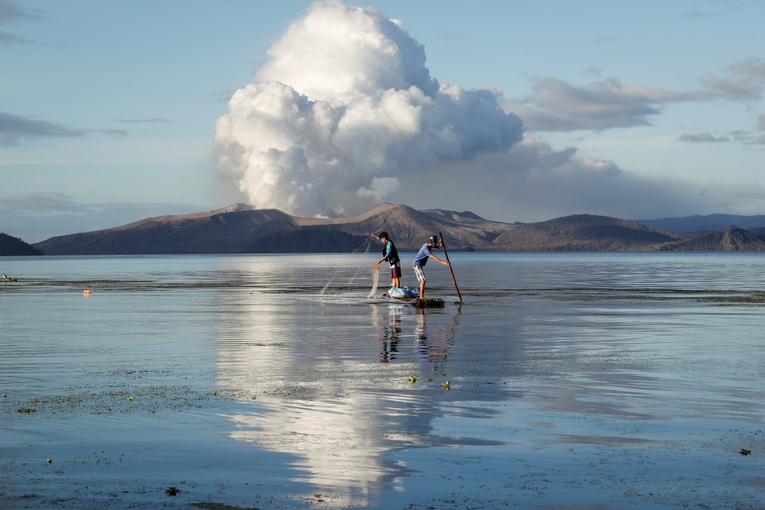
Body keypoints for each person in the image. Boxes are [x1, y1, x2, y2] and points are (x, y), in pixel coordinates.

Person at [412, 235, 450, 299]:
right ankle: (421, 296)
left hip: (419, 265)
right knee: (423, 280)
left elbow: (439, 247)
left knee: (422, 280)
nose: (434, 245)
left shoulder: (428, 245)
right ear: (432, 242)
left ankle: (421, 295)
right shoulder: (425, 249)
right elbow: (434, 258)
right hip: (417, 264)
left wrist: (441, 243)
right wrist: (444, 263)